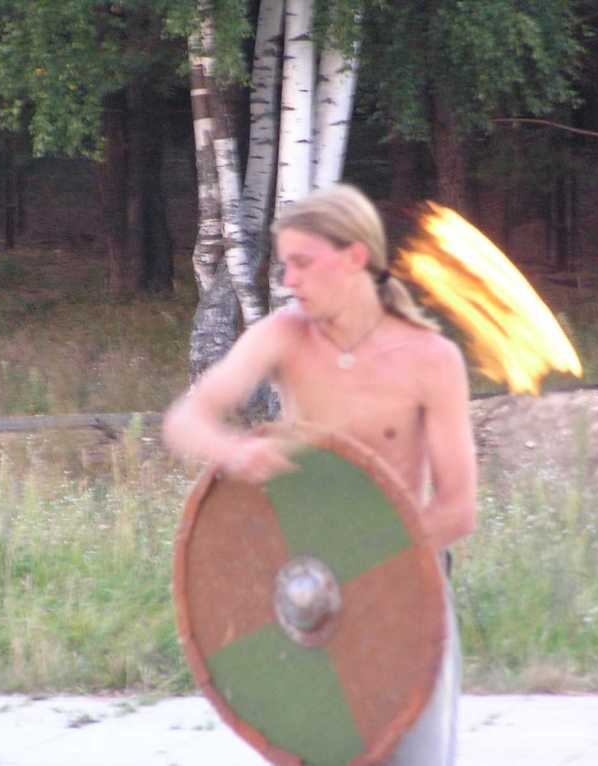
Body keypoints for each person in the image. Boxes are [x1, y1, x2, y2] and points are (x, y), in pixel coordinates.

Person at [163, 183, 477, 766]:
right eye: (284, 265)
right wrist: (232, 453)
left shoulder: (431, 360)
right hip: (304, 588)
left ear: (355, 256)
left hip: (404, 589)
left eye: (303, 263)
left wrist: (369, 561)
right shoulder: (283, 336)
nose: (289, 280)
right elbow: (185, 420)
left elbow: (458, 508)